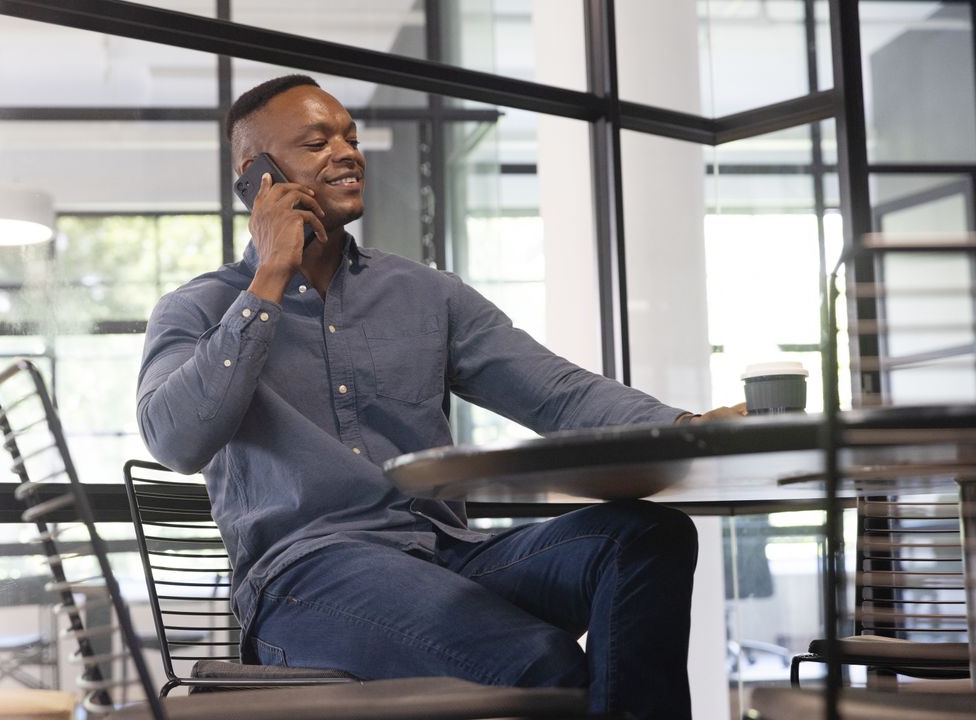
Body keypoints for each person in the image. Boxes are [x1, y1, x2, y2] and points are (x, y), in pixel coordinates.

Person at [137, 74, 744, 719]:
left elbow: (557, 394)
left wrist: (685, 425)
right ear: (256, 175)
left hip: (448, 552)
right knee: (543, 666)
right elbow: (176, 440)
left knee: (648, 536)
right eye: (317, 143)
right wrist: (269, 279)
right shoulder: (199, 309)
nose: (346, 152)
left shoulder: (427, 295)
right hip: (305, 581)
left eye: (350, 136)